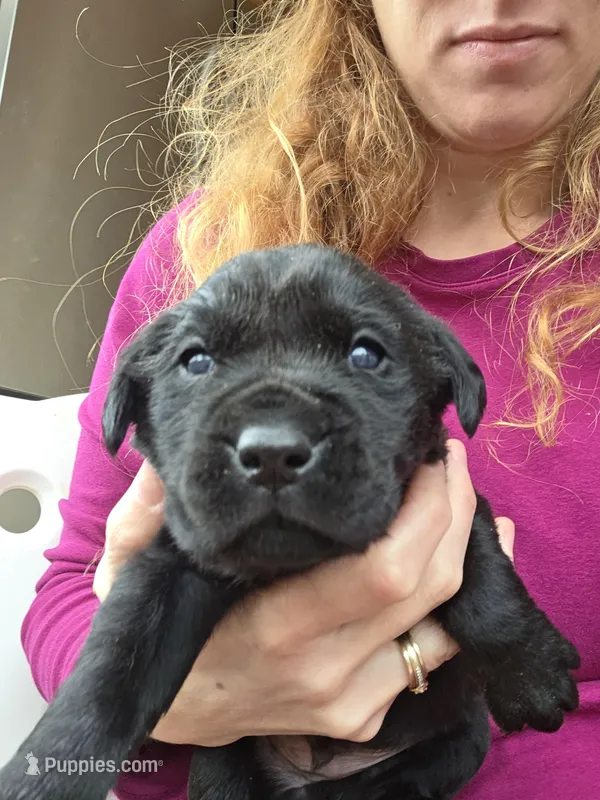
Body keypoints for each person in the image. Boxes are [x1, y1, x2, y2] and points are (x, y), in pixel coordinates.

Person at [22, 1, 600, 799]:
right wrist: (187, 705)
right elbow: (73, 595)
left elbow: (478, 571)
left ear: (449, 390)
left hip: (431, 760)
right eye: (198, 362)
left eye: (366, 354)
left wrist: (502, 639)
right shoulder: (198, 248)